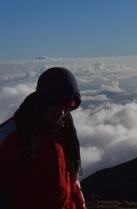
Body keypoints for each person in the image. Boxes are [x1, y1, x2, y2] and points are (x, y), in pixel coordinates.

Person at [0, 67, 87, 208]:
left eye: (68, 106)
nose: (61, 112)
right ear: (43, 100)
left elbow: (72, 181)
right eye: (56, 105)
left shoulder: (66, 133)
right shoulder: (10, 135)